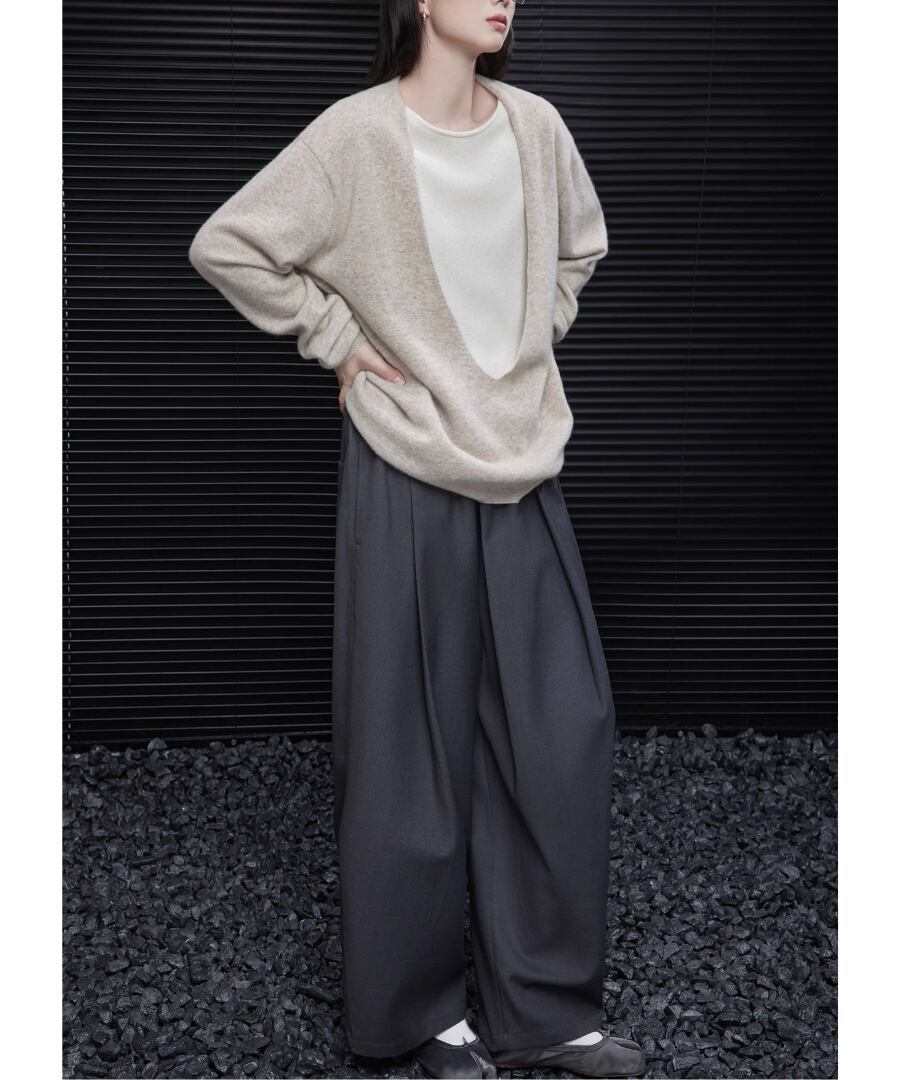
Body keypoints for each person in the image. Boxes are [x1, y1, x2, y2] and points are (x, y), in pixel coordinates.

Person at [188, 2, 646, 1077]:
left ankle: (546, 1010)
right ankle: (420, 1018)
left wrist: (530, 342)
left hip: (520, 458)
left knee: (560, 728)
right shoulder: (356, 136)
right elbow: (228, 245)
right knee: (407, 746)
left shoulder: (537, 127)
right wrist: (339, 341)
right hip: (404, 461)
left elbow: (580, 249)